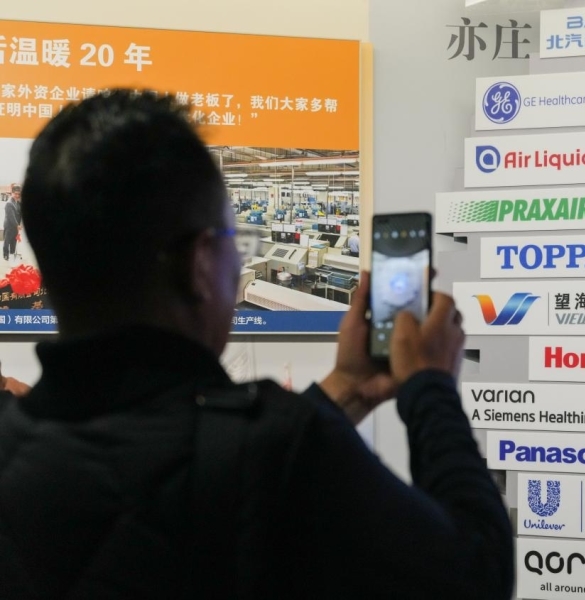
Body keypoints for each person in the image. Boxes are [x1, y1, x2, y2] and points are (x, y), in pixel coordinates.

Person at [0, 91, 513, 599]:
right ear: (201, 263)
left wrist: (349, 387)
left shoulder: (14, 441)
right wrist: (430, 387)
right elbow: (477, 573)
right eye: (234, 242)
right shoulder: (287, 450)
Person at [2, 183, 21, 261]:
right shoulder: (9, 203)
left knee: (14, 240)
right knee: (7, 241)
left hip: (16, 226)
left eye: (18, 194)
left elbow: (20, 214)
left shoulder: (18, 202)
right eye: (15, 194)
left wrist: (20, 224)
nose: (17, 195)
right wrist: (17, 225)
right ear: (12, 193)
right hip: (9, 225)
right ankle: (5, 255)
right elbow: (11, 216)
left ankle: (12, 254)